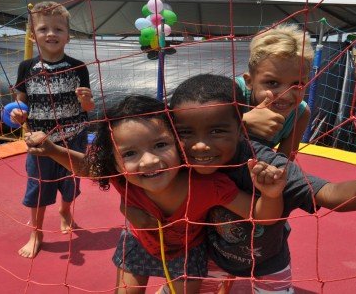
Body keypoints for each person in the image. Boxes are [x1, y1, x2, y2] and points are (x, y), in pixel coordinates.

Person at [166, 73, 356, 293]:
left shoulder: (263, 163)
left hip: (268, 262)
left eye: (216, 131)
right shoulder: (174, 162)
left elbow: (330, 193)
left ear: (240, 128)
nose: (200, 145)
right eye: (186, 133)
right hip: (211, 256)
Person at [25, 95, 286, 293]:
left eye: (160, 145)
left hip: (188, 248)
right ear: (114, 163)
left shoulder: (209, 185)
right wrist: (51, 149)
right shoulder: (120, 177)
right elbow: (87, 167)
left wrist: (271, 195)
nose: (148, 161)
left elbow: (261, 217)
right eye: (129, 154)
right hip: (139, 242)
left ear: (179, 144)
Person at [10, 1, 95, 259]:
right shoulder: (27, 68)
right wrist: (17, 113)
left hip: (73, 138)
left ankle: (65, 210)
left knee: (70, 183)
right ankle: (36, 232)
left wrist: (85, 99)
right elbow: (19, 104)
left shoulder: (78, 67)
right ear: (34, 35)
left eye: (58, 29)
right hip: (40, 143)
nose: (51, 34)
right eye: (44, 28)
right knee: (38, 188)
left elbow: (89, 108)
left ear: (68, 35)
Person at [237, 24, 314, 160]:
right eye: (272, 83)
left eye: (297, 84)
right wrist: (243, 123)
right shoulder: (233, 91)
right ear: (249, 81)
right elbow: (190, 128)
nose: (286, 95)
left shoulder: (300, 114)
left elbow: (284, 164)